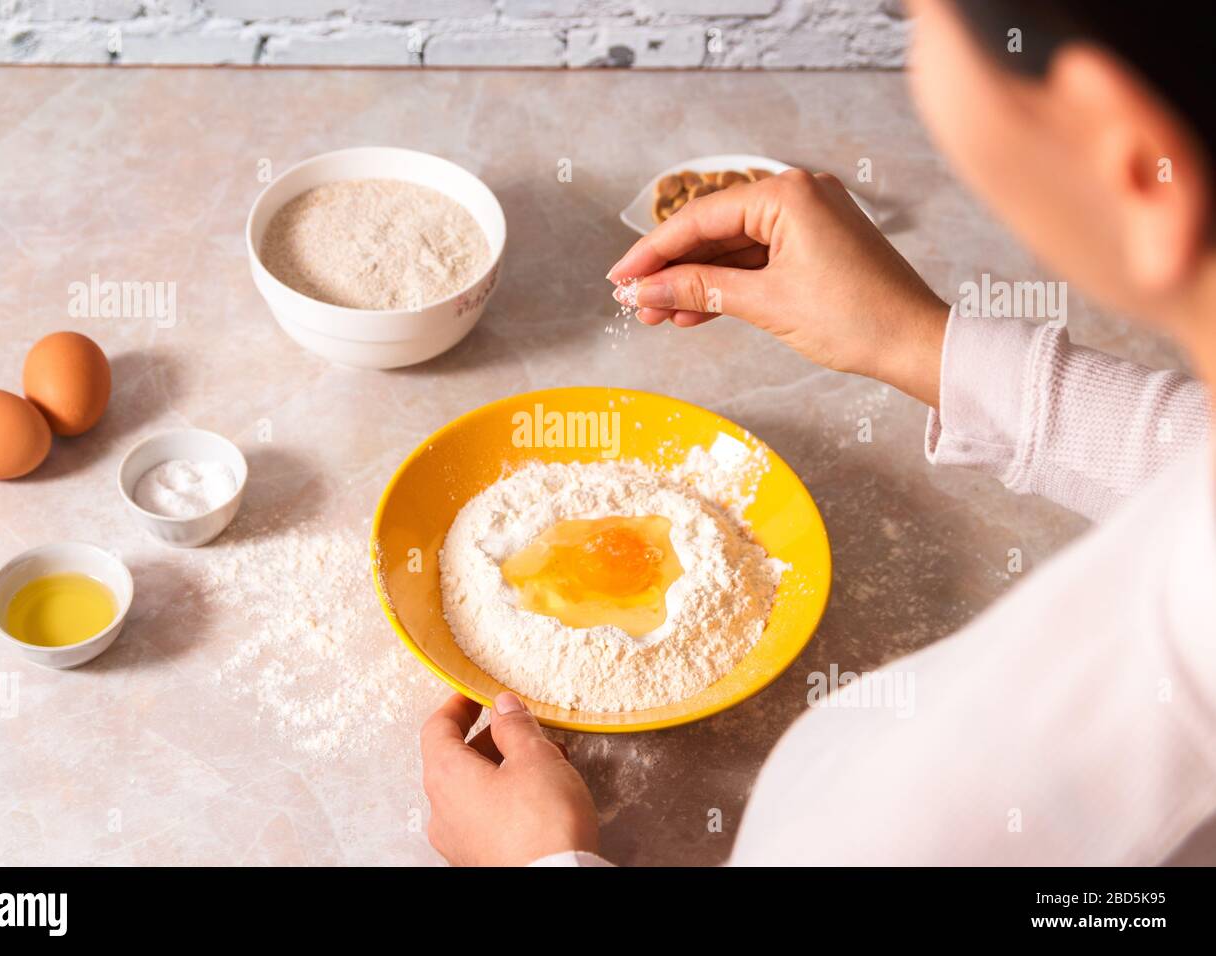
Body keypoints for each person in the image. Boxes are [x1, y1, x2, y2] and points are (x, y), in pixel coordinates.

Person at [419, 0, 1216, 866]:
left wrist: (538, 864)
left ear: (1127, 160)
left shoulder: (1025, 792)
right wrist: (920, 341)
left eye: (920, 19)